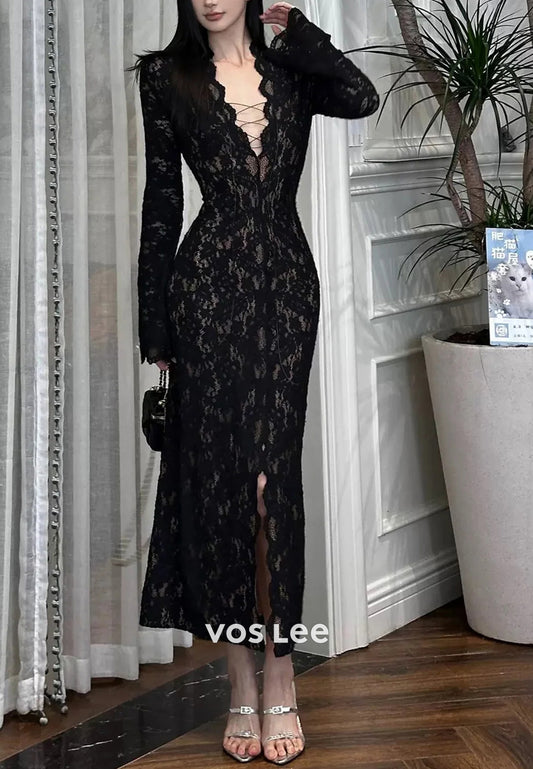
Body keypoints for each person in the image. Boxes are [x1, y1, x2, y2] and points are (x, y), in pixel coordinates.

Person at [130, 0, 378, 763]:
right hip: (207, 297)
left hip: (287, 295)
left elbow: (360, 95)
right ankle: (240, 679)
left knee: (273, 489)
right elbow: (162, 200)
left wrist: (299, 32)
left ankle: (281, 676)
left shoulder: (289, 69)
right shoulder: (164, 76)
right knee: (226, 491)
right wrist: (154, 327)